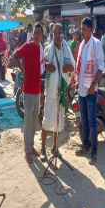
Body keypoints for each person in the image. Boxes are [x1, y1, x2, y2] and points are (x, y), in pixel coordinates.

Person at [40, 23, 75, 160]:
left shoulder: (66, 49)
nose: (57, 35)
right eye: (55, 32)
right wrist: (48, 66)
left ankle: (55, 147)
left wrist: (68, 67)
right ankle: (43, 148)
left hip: (63, 90)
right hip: (51, 89)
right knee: (47, 119)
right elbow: (41, 66)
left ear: (62, 34)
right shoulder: (48, 49)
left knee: (59, 120)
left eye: (60, 32)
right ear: (52, 34)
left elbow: (73, 66)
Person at [12, 23, 45, 163]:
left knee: (34, 121)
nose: (37, 35)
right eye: (35, 32)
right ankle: (27, 150)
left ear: (42, 36)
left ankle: (31, 147)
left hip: (37, 89)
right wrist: (23, 71)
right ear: (32, 34)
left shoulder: (41, 49)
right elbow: (14, 56)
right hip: (28, 89)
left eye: (39, 33)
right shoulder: (27, 46)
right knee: (28, 122)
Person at [74, 17, 105, 165]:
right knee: (84, 120)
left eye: (84, 29)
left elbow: (101, 66)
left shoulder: (96, 44)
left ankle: (94, 152)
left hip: (91, 89)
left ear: (90, 30)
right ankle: (85, 146)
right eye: (81, 29)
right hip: (81, 89)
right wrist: (76, 82)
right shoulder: (82, 46)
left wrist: (94, 84)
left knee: (92, 122)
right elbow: (79, 66)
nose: (82, 32)